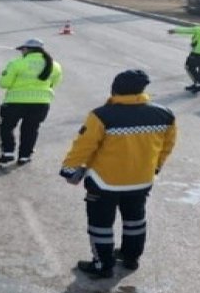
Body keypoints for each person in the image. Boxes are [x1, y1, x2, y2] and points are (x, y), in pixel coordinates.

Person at [59, 69, 177, 279]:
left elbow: (84, 146)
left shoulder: (102, 115)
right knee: (135, 220)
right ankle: (131, 258)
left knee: (101, 224)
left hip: (104, 182)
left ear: (115, 88)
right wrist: (155, 167)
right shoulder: (164, 114)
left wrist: (69, 169)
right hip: (141, 181)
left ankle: (102, 265)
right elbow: (166, 146)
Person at [0, 38, 63, 166]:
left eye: (22, 50)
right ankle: (24, 156)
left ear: (27, 49)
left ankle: (8, 153)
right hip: (41, 103)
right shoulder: (55, 65)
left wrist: (0, 80)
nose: (21, 52)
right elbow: (54, 83)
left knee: (6, 127)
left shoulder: (17, 64)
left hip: (15, 103)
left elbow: (5, 83)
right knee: (30, 129)